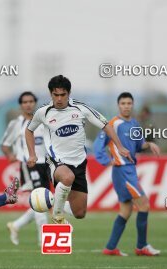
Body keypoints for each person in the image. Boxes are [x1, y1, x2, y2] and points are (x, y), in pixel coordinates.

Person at [25, 75, 132, 224]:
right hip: (56, 161)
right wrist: (32, 154)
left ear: (69, 94)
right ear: (51, 94)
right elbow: (29, 130)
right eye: (56, 95)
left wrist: (120, 147)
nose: (59, 98)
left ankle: (55, 203)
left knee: (80, 213)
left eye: (63, 95)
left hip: (79, 164)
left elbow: (106, 125)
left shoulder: (81, 108)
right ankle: (57, 214)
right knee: (67, 177)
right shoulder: (43, 112)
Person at [93, 92, 161, 256]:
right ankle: (142, 246)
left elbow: (138, 145)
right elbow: (98, 145)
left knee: (126, 210)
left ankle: (110, 248)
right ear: (118, 105)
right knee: (143, 204)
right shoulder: (113, 123)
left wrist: (149, 144)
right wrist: (106, 161)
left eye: (129, 103)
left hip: (130, 169)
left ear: (132, 105)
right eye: (123, 103)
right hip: (122, 170)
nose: (126, 106)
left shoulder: (135, 124)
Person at [0, 91, 49, 245]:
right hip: (30, 165)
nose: (28, 104)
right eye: (25, 102)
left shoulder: (43, 120)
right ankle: (44, 240)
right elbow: (5, 144)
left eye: (31, 101)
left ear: (35, 103)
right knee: (40, 199)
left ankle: (16, 225)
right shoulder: (17, 124)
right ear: (21, 105)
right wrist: (12, 156)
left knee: (44, 202)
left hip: (46, 164)